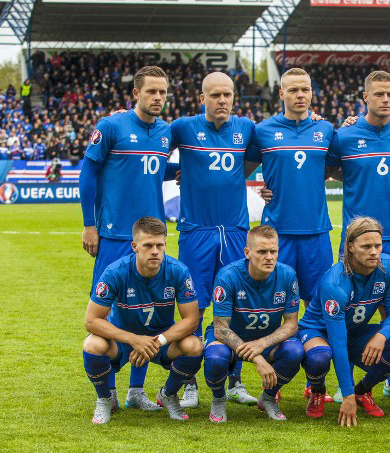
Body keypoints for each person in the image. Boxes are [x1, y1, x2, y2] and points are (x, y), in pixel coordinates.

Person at [79, 66, 174, 412]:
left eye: (163, 92)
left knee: (146, 314)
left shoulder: (165, 132)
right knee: (106, 312)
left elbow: (158, 168)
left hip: (151, 238)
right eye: (151, 92)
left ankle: (136, 390)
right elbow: (87, 172)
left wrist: (180, 172)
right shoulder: (111, 126)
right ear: (136, 93)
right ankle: (106, 394)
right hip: (114, 236)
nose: (158, 98)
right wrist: (90, 225)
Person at [323, 70, 390, 403]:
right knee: (349, 309)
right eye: (379, 94)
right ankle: (344, 379)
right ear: (365, 97)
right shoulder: (344, 136)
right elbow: (326, 169)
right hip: (356, 239)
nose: (386, 100)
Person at [169, 71, 259, 408]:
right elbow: (148, 146)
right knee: (194, 305)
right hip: (197, 232)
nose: (222, 101)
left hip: (235, 231)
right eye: (215, 95)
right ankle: (189, 379)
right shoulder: (183, 128)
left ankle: (234, 379)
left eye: (228, 95)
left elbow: (256, 161)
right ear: (202, 98)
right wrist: (179, 173)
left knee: (236, 305)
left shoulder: (246, 128)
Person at [247, 67, 336, 404]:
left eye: (306, 89)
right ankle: (276, 380)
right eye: (294, 90)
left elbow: (336, 168)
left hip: (316, 234)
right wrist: (264, 189)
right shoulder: (263, 131)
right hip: (277, 238)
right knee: (273, 307)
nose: (301, 95)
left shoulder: (326, 130)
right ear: (281, 94)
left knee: (318, 307)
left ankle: (316, 384)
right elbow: (241, 167)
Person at [81, 217, 203, 424]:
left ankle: (168, 394)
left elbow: (191, 319)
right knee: (93, 344)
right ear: (135, 246)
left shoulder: (178, 271)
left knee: (194, 345)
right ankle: (105, 398)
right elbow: (91, 321)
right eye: (148, 245)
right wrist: (133, 339)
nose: (155, 251)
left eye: (159, 245)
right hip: (121, 341)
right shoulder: (115, 272)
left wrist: (158, 341)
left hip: (159, 340)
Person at [297, 217, 390, 427]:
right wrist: (346, 395)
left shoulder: (387, 266)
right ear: (350, 247)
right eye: (366, 246)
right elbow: (338, 343)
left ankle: (363, 390)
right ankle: (317, 390)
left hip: (354, 331)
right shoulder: (335, 283)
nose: (374, 252)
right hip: (319, 332)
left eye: (377, 245)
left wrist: (381, 335)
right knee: (320, 357)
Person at [202, 226, 304, 422]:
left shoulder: (287, 274)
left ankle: (267, 398)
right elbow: (221, 328)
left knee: (294, 352)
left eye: (273, 251)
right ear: (247, 253)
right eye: (262, 252)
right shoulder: (228, 276)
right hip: (230, 341)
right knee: (215, 357)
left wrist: (262, 344)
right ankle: (218, 399)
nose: (269, 257)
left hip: (267, 341)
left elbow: (291, 325)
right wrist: (258, 358)